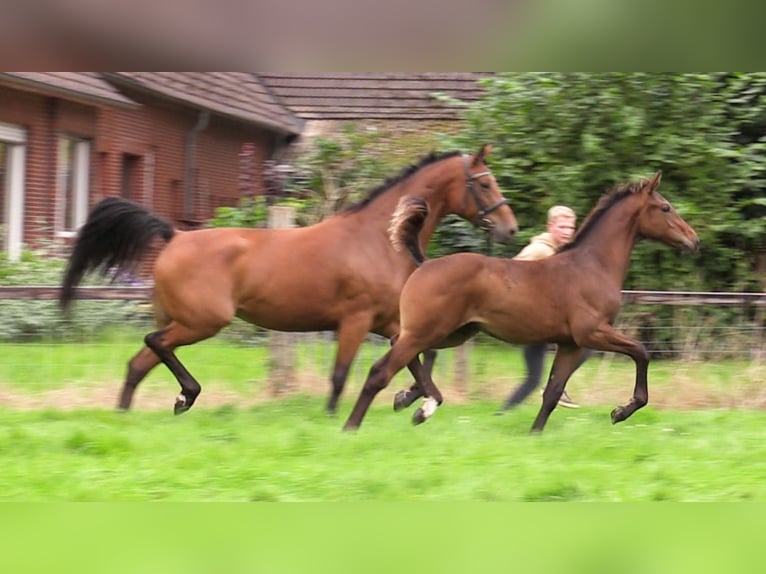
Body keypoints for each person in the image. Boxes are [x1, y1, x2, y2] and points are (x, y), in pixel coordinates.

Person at [498, 204, 590, 412]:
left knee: (533, 379)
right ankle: (556, 386)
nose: (567, 232)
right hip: (530, 322)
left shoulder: (562, 253)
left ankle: (503, 413)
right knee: (583, 345)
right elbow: (508, 273)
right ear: (550, 226)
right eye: (562, 227)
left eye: (570, 227)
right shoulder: (539, 250)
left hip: (544, 324)